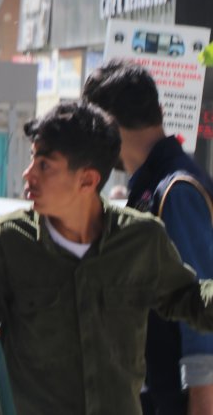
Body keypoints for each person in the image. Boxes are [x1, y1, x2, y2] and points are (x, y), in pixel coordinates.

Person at [0, 101, 213, 415]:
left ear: (87, 180)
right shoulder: (9, 239)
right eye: (33, 159)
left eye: (45, 165)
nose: (28, 174)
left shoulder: (141, 239)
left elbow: (189, 298)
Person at [84, 60, 213, 414]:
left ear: (106, 126)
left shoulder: (175, 189)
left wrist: (202, 400)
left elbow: (201, 298)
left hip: (179, 399)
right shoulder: (151, 186)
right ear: (158, 110)